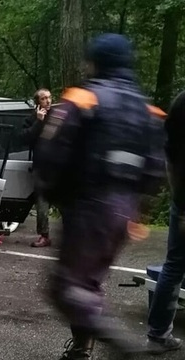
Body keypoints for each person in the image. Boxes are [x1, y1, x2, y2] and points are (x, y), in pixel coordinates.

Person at [36, 33, 165, 359]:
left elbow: (52, 154)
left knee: (65, 288)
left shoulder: (83, 99)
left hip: (88, 206)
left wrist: (56, 195)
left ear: (98, 62)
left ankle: (120, 342)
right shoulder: (146, 110)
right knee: (88, 283)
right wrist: (138, 210)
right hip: (124, 210)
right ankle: (82, 348)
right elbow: (154, 167)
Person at [145, 89, 185, 355]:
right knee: (173, 267)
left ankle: (158, 334)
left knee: (174, 266)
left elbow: (170, 156)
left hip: (181, 199)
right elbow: (173, 157)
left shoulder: (181, 103)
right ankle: (158, 334)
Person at [21, 88, 54, 247]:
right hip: (42, 168)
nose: (47, 101)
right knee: (42, 203)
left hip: (59, 167)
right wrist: (38, 121)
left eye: (49, 98)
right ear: (37, 102)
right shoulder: (31, 119)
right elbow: (25, 138)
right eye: (43, 98)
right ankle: (44, 235)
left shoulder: (58, 117)